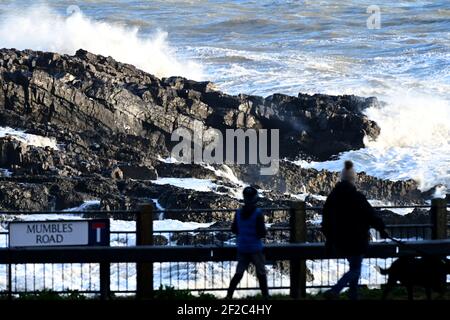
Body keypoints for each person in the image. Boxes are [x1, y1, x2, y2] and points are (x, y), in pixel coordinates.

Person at [321, 160, 388, 300]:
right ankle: (336, 290)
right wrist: (381, 228)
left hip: (339, 240)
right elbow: (371, 215)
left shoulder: (332, 197)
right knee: (355, 269)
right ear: (353, 180)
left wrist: (329, 238)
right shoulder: (358, 197)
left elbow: (326, 221)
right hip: (357, 239)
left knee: (354, 266)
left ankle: (353, 295)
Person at [226, 186, 269, 299]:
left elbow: (234, 229)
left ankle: (229, 295)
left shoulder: (238, 213)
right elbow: (262, 233)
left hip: (243, 248)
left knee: (239, 273)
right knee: (261, 273)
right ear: (255, 199)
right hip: (255, 248)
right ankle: (266, 296)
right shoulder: (258, 213)